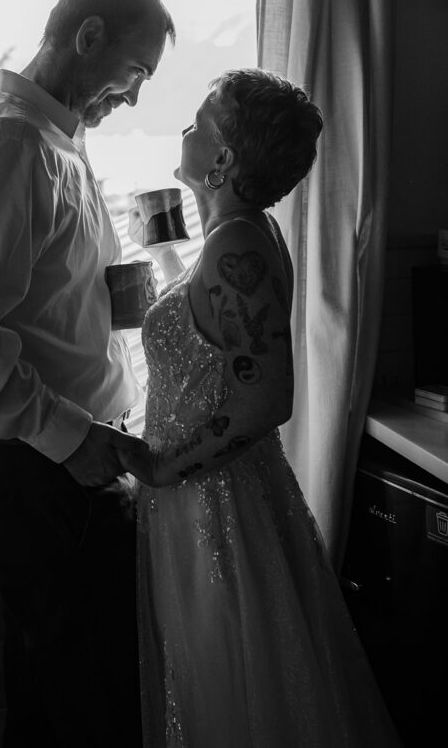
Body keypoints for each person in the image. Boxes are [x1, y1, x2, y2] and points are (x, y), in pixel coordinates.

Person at [0, 0, 174, 748]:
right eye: (133, 74)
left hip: (68, 458)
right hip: (39, 467)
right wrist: (75, 438)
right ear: (88, 36)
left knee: (56, 684)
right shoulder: (7, 145)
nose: (131, 98)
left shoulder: (62, 137)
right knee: (87, 694)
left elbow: (50, 290)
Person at [119, 70, 403, 748]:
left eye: (197, 123)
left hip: (217, 504)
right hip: (211, 495)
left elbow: (266, 398)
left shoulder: (239, 243)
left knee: (235, 689)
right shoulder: (240, 233)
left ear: (221, 160)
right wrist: (161, 257)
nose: (184, 131)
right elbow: (215, 348)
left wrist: (160, 466)